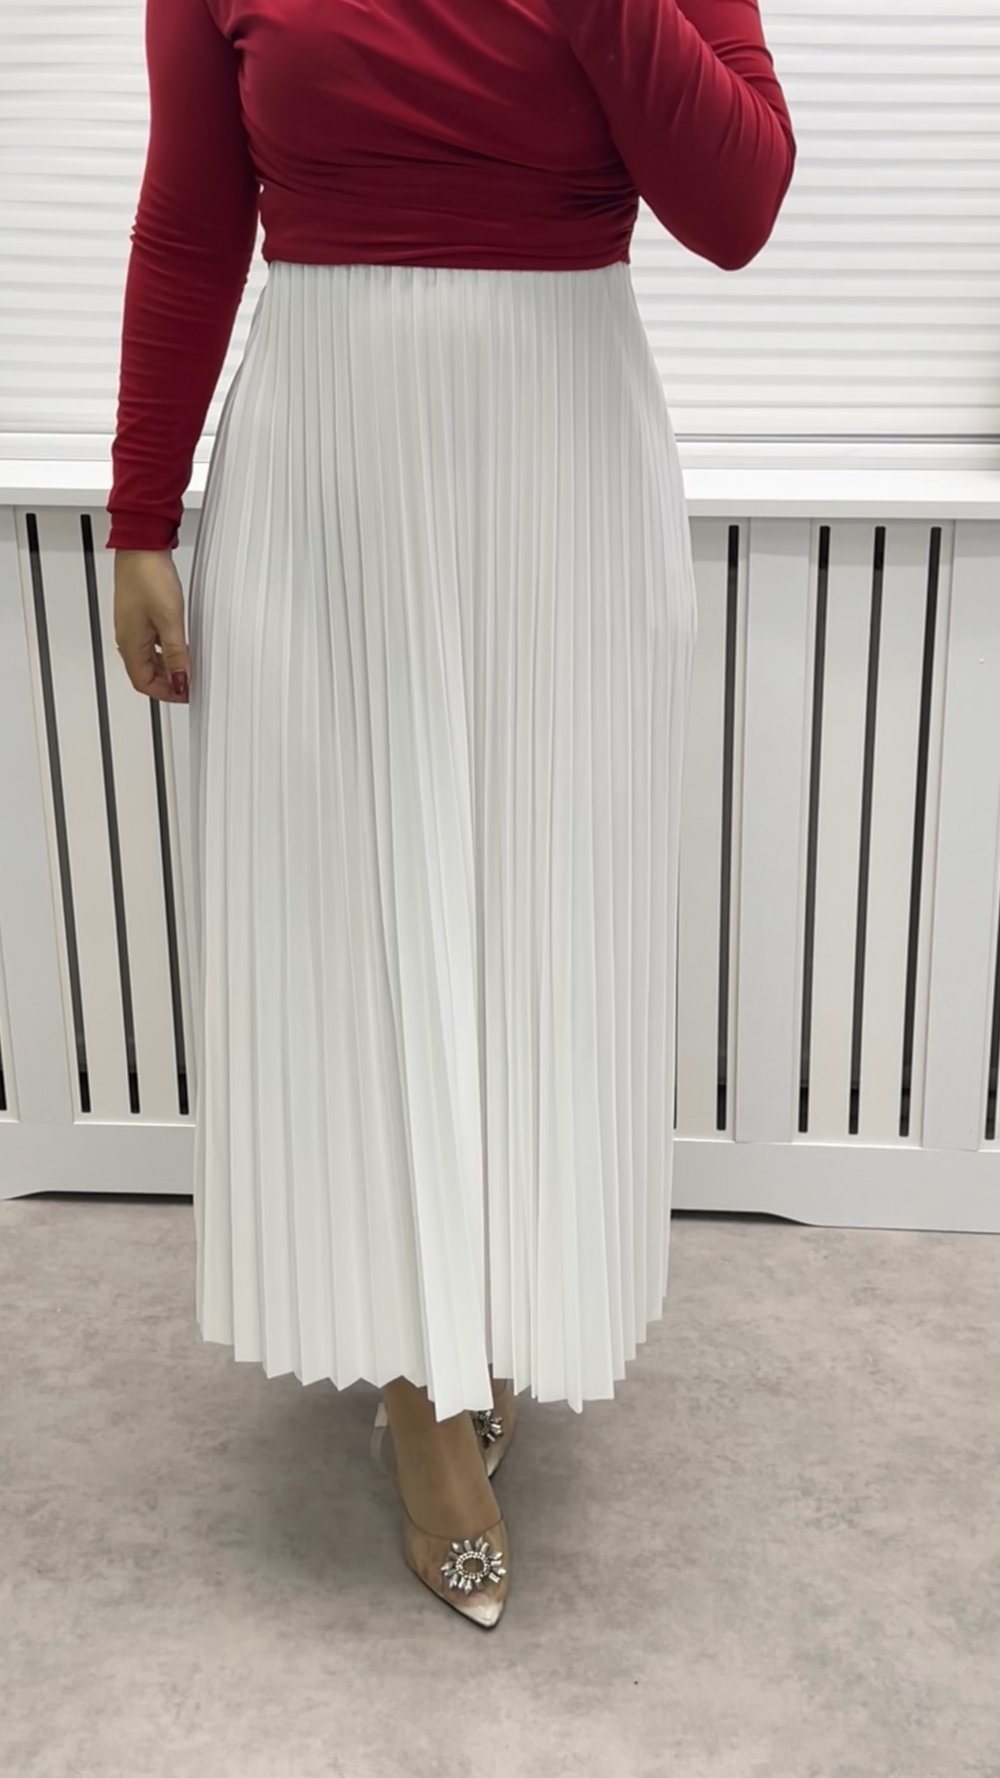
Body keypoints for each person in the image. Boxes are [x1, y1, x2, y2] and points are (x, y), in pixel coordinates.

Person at [108, 0, 795, 1630]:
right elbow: (192, 214)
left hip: (564, 473)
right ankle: (422, 1381)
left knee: (538, 918)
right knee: (363, 919)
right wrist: (141, 509)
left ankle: (486, 1303)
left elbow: (738, 205)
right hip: (327, 479)